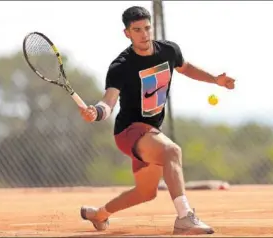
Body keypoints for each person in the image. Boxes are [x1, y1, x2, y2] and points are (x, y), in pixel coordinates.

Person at [78, 6, 235, 235]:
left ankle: (99, 215)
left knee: (146, 192)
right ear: (127, 33)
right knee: (172, 151)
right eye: (137, 29)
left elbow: (186, 67)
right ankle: (184, 217)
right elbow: (109, 101)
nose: (144, 34)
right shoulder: (121, 66)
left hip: (150, 130)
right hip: (129, 131)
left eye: (147, 28)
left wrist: (215, 80)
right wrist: (97, 112)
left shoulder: (169, 51)